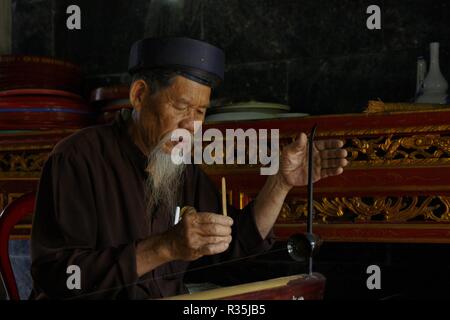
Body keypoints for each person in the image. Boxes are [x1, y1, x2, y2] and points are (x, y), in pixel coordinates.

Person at [30, 37, 348, 299]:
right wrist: (166, 246)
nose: (191, 125)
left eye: (200, 111)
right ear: (139, 95)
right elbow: (60, 276)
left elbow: (234, 245)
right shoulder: (77, 158)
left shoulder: (178, 162)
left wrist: (281, 181)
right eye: (181, 107)